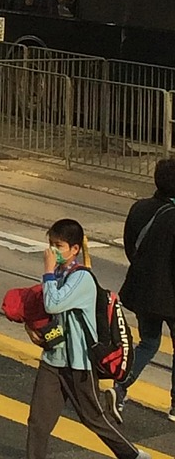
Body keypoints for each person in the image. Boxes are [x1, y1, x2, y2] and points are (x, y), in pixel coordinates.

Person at [25, 217, 147, 459]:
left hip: (79, 364)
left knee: (94, 419)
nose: (52, 251)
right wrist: (38, 333)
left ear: (75, 249)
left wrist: (47, 271)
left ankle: (133, 455)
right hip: (53, 360)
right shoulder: (59, 273)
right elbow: (57, 321)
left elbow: (53, 304)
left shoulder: (82, 279)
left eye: (58, 246)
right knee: (38, 423)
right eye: (50, 244)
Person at [116, 158, 175, 417]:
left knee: (148, 343)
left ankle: (119, 386)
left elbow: (131, 248)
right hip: (171, 297)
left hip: (142, 292)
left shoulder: (139, 208)